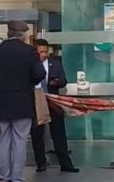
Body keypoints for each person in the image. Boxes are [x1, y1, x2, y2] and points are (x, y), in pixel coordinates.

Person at [0, 21, 45, 182]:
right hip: (22, 102)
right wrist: (27, 82)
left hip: (1, 102)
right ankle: (17, 180)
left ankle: (5, 180)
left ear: (8, 33)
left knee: (3, 140)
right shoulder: (29, 51)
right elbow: (39, 74)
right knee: (19, 141)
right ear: (22, 35)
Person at [31, 39, 79, 173]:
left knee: (58, 133)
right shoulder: (31, 65)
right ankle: (41, 163)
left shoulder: (55, 64)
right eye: (41, 52)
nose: (44, 54)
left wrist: (56, 82)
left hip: (53, 101)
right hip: (37, 101)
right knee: (37, 133)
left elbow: (64, 80)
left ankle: (65, 163)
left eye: (45, 51)